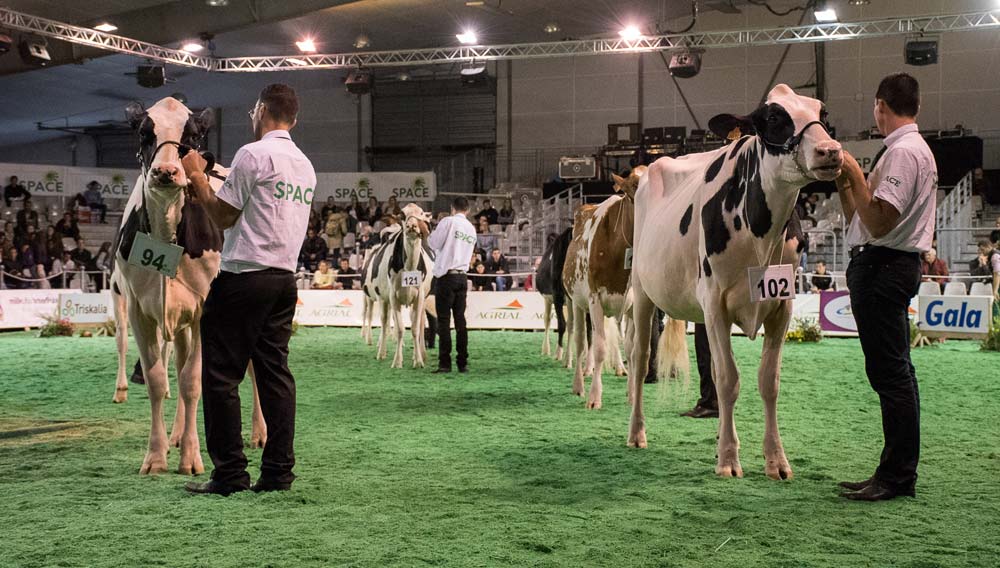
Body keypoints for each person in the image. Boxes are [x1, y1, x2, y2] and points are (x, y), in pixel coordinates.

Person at [181, 83, 316, 496]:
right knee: (276, 376)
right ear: (294, 117)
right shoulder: (305, 165)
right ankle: (277, 474)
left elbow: (222, 216)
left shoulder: (253, 153)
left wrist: (198, 179)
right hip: (282, 281)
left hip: (243, 277)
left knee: (221, 377)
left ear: (261, 110)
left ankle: (230, 474)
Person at [836, 73, 936, 502]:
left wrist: (856, 171)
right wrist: (848, 186)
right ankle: (894, 471)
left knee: (891, 375)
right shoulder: (914, 151)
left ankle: (896, 477)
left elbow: (879, 222)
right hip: (887, 264)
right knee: (896, 373)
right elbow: (861, 218)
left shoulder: (903, 153)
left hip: (884, 267)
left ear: (880, 105)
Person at [428, 196, 477, 374]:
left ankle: (445, 363)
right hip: (462, 277)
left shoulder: (447, 222)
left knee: (443, 321)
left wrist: (429, 231)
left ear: (452, 208)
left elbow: (433, 243)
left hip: (446, 277)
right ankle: (462, 363)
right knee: (460, 321)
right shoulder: (471, 228)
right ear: (468, 210)